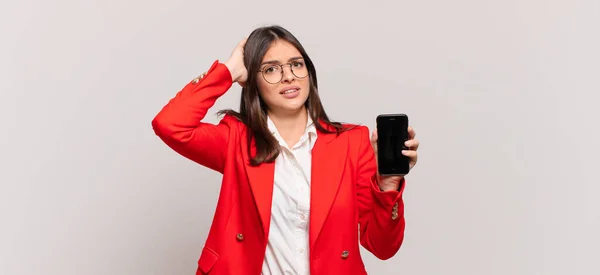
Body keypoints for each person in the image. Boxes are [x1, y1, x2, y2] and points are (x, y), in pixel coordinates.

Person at [151, 25, 419, 275]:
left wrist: (387, 186)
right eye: (271, 69)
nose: (288, 75)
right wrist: (229, 71)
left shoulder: (352, 142)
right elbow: (170, 124)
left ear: (309, 73)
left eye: (296, 64)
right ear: (253, 82)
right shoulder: (236, 139)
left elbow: (383, 248)